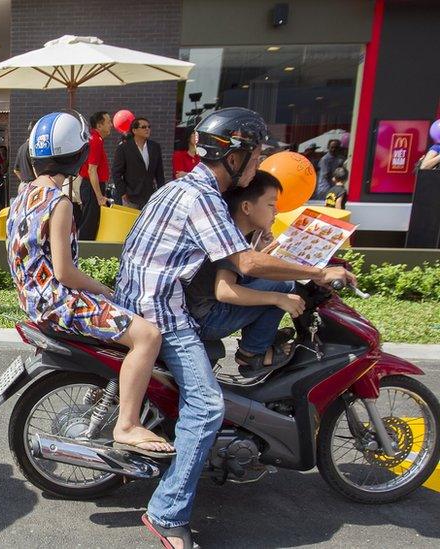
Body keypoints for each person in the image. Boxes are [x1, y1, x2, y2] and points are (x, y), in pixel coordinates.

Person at [114, 107, 355, 549]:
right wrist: (317, 274)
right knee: (207, 408)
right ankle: (167, 514)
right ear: (235, 156)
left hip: (140, 302)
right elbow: (244, 263)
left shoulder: (184, 186)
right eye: (258, 153)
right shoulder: (203, 197)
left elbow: (240, 253)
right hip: (163, 314)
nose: (260, 162)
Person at [7, 111, 173, 458]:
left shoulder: (22, 194)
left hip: (34, 301)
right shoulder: (59, 202)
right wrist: (106, 290)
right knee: (148, 336)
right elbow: (66, 273)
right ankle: (127, 424)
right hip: (58, 302)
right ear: (79, 155)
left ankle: (111, 394)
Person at [185, 172, 305, 377]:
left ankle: (260, 340)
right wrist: (280, 299)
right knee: (282, 285)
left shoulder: (232, 229)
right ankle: (252, 352)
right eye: (270, 204)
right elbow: (224, 291)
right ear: (247, 207)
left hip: (198, 310)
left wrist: (264, 250)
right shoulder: (230, 237)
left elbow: (243, 270)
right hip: (207, 319)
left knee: (273, 279)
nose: (276, 211)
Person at [112, 116, 165, 209]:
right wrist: (123, 192)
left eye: (149, 127)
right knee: (130, 223)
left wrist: (161, 192)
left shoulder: (155, 147)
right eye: (144, 127)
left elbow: (159, 173)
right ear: (134, 130)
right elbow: (116, 172)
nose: (147, 129)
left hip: (149, 196)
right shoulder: (124, 148)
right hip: (130, 196)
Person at [77, 111, 113, 241]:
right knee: (89, 224)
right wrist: (99, 196)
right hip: (92, 187)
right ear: (99, 125)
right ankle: (84, 256)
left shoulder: (94, 138)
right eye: (108, 122)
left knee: (90, 222)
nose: (111, 125)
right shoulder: (95, 140)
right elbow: (92, 170)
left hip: (90, 185)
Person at [13, 120, 37, 186]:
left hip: (23, 186)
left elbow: (16, 170)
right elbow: (35, 167)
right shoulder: (33, 147)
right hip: (33, 185)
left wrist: (23, 181)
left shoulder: (21, 147)